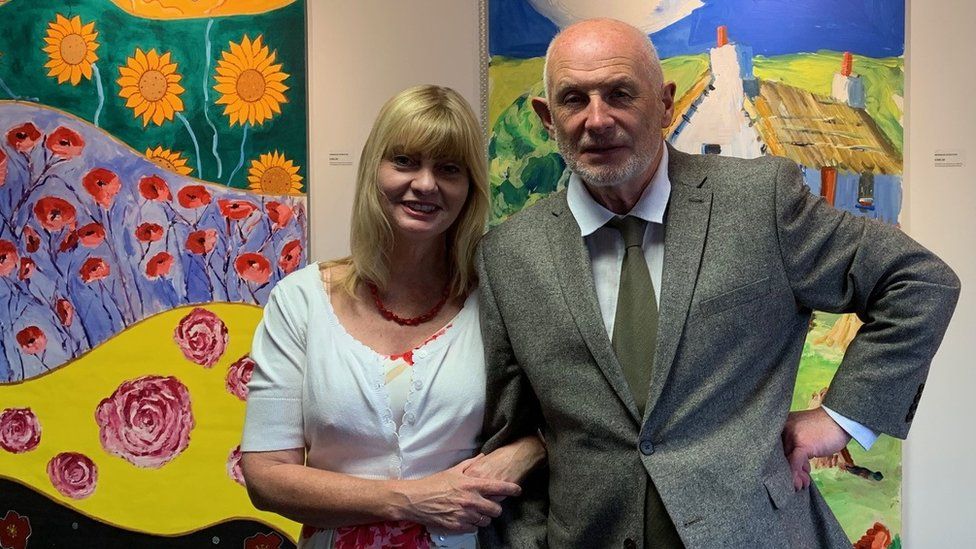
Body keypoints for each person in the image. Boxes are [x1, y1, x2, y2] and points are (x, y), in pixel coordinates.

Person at [477, 18, 960, 548]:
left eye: (620, 94)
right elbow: (514, 438)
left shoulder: (759, 204)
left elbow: (918, 281)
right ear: (549, 117)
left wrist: (840, 416)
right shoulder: (508, 257)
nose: (597, 120)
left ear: (664, 104)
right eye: (574, 99)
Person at [240, 85, 546, 549]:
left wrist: (527, 451)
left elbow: (574, 413)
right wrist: (412, 499)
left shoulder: (499, 299)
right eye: (404, 161)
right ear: (372, 170)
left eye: (449, 169)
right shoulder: (300, 300)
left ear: (470, 189)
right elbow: (265, 475)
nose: (426, 184)